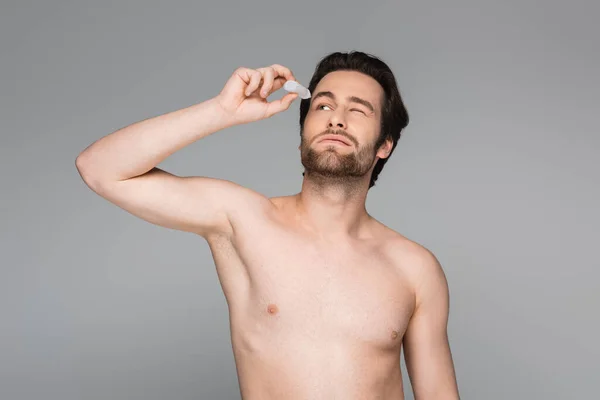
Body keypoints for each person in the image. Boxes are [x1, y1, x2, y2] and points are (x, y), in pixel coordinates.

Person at [75, 51, 460, 399]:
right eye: (322, 106)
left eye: (358, 110)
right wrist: (220, 112)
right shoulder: (243, 220)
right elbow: (99, 169)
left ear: (384, 145)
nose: (337, 119)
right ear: (302, 134)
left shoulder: (415, 268)